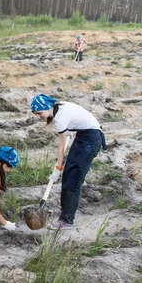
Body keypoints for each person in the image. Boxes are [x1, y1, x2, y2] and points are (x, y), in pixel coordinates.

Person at [31, 94, 106, 230]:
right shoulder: (60, 107)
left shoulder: (60, 118)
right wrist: (73, 129)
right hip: (83, 136)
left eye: (39, 113)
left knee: (73, 179)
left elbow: (60, 150)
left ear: (48, 107)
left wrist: (58, 168)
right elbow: (80, 117)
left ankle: (67, 220)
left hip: (91, 140)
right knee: (68, 176)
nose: (39, 116)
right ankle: (66, 210)